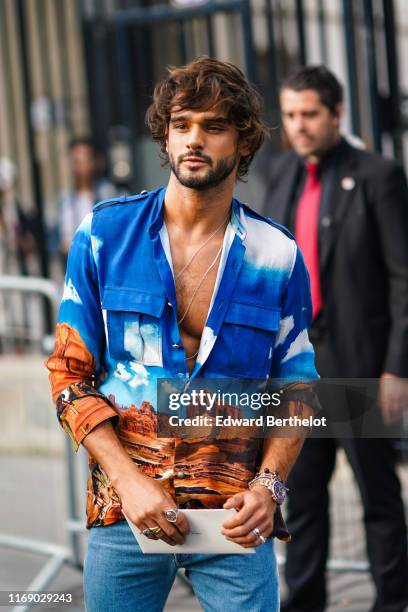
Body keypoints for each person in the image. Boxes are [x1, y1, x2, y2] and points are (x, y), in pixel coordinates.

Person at [46, 57, 319, 612]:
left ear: (243, 144)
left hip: (235, 519)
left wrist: (270, 489)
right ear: (165, 136)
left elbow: (297, 388)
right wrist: (128, 480)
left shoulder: (277, 255)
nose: (194, 139)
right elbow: (69, 376)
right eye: (182, 124)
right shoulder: (104, 235)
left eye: (214, 126)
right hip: (127, 512)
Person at [263, 65, 408, 612]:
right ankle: (304, 604)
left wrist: (396, 366)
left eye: (310, 115)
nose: (298, 126)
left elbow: (403, 278)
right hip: (298, 370)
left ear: (337, 113)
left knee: (377, 495)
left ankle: (392, 602)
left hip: (360, 366)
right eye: (291, 114)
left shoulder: (378, 175)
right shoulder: (282, 174)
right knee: (300, 500)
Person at [56, 137, 115, 260]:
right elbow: (63, 241)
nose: (81, 166)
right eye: (76, 161)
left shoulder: (107, 193)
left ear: (94, 162)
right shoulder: (65, 200)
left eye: (85, 160)